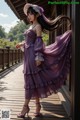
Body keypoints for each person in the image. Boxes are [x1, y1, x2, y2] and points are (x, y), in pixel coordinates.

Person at [16, 3, 72, 118]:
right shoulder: (30, 27)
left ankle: (25, 107)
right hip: (27, 56)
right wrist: (21, 44)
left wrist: (38, 57)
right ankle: (37, 106)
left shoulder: (37, 27)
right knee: (33, 81)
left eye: (31, 13)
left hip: (32, 56)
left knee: (29, 82)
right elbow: (29, 42)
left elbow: (39, 43)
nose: (29, 16)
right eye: (28, 14)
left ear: (36, 14)